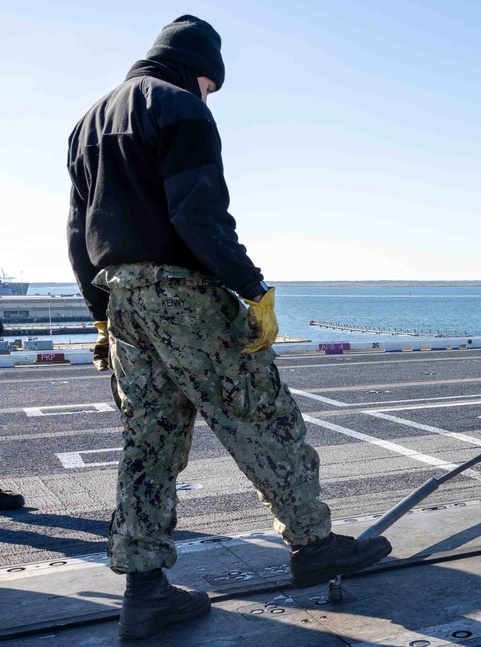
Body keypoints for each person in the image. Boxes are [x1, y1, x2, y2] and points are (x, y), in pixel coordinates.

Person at [66, 16, 390, 641]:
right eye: (212, 86)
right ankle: (314, 544)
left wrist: (100, 315)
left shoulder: (88, 123)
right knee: (260, 414)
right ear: (198, 69)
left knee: (148, 441)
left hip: (124, 301)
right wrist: (252, 287)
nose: (210, 97)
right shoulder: (180, 106)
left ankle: (144, 590)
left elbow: (79, 234)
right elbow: (200, 214)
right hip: (185, 295)